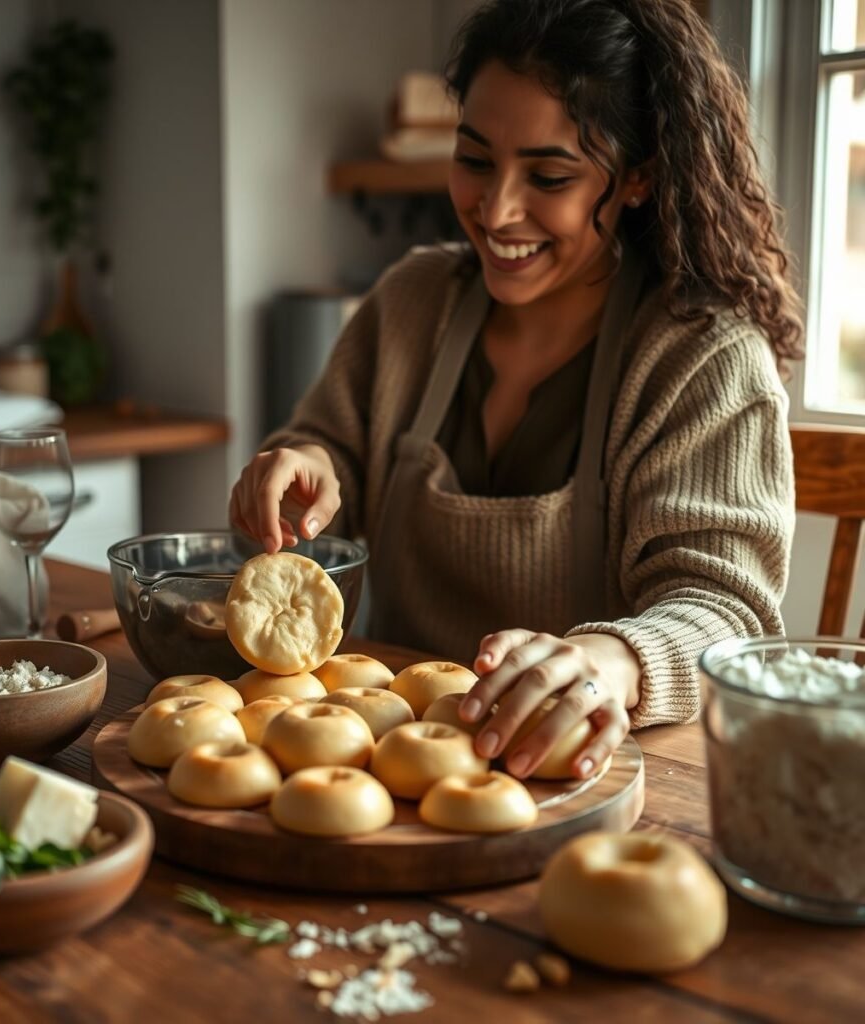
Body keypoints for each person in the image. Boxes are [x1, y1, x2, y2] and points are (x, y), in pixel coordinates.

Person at [229, 0, 802, 781]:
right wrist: (306, 467)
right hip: (394, 774)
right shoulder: (412, 303)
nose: (495, 210)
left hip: (596, 786)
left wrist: (615, 658)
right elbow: (333, 460)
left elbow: (721, 611)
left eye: (550, 175)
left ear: (637, 177)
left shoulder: (704, 359)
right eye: (473, 160)